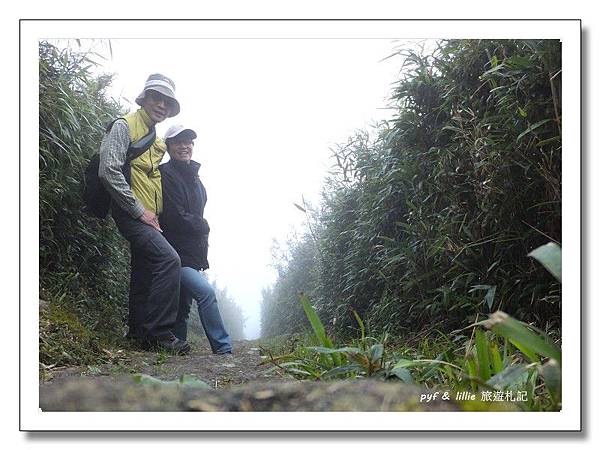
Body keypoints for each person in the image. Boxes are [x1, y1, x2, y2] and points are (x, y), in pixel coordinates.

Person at [98, 74, 190, 354]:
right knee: (168, 259)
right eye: (156, 98)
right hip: (131, 213)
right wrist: (139, 210)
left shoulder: (157, 141)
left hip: (149, 216)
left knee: (144, 270)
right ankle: (159, 334)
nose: (161, 105)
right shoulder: (125, 126)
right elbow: (108, 170)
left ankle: (137, 332)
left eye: (167, 102)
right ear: (145, 98)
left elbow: (151, 176)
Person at [159, 124, 233, 355]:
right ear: (169, 146)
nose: (185, 146)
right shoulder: (166, 174)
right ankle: (223, 348)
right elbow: (174, 216)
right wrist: (203, 225)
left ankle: (178, 345)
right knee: (206, 293)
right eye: (179, 142)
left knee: (183, 305)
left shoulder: (194, 177)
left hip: (192, 253)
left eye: (189, 142)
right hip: (174, 252)